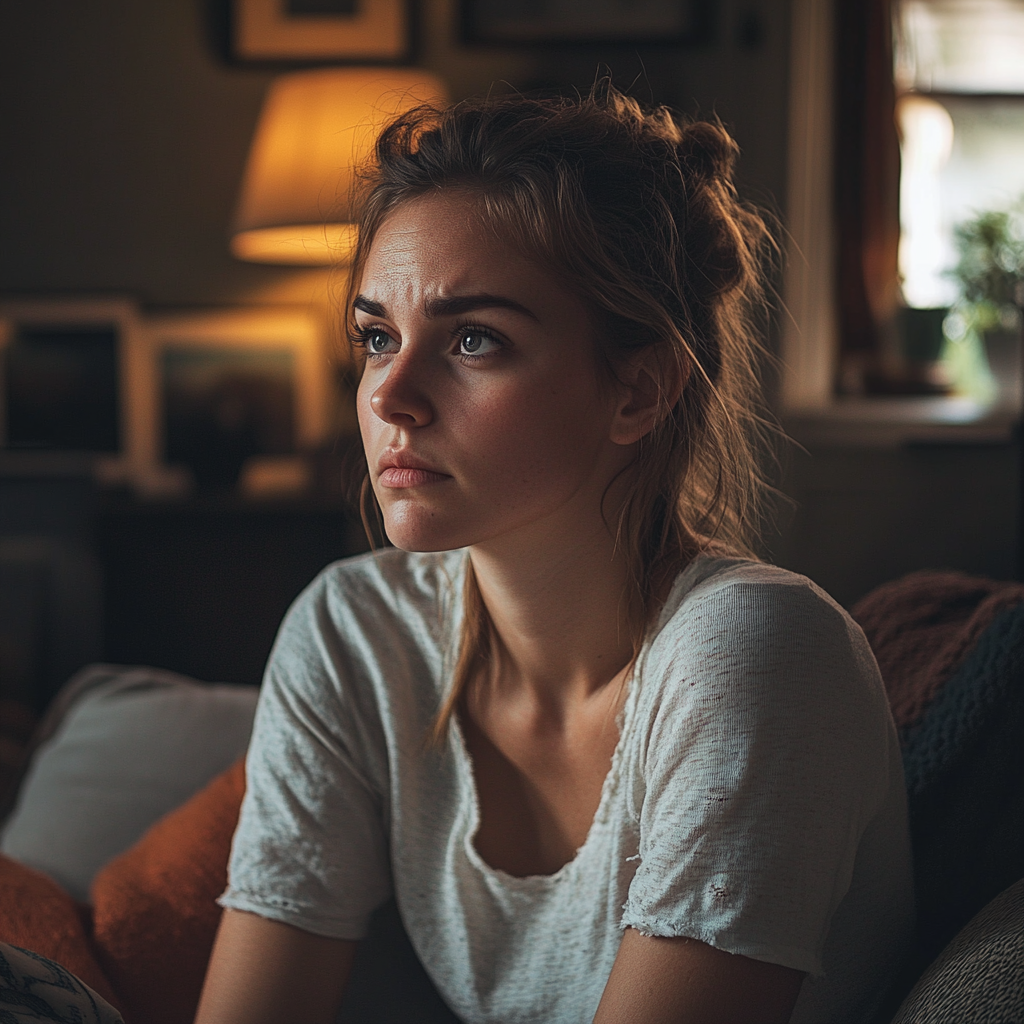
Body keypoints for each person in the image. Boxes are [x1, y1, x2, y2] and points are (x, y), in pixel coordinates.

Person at [195, 82, 914, 1024]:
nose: (390, 397)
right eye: (377, 337)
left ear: (638, 391)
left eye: (475, 339)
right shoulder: (353, 632)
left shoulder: (753, 654)